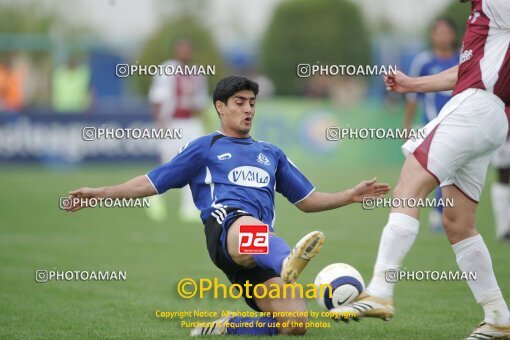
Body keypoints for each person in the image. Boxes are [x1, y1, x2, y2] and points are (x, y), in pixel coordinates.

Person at [65, 76, 390, 336]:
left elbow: (307, 201)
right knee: (248, 224)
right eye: (239, 102)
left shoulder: (271, 154)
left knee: (296, 324)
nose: (248, 109)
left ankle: (230, 326)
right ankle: (287, 260)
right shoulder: (204, 148)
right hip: (227, 232)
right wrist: (99, 193)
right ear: (220, 107)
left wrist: (349, 195)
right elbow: (149, 183)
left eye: (252, 103)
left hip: (262, 253)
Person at [335, 0, 510, 338]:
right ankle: (498, 314)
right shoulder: (485, 18)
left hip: (473, 107)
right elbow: (465, 71)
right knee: (458, 223)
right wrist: (412, 84)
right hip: (490, 115)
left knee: (408, 186)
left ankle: (380, 291)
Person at [404, 17, 460, 233]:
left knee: (450, 171)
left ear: (453, 35)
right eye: (438, 32)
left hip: (458, 124)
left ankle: (440, 213)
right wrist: (406, 125)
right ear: (432, 36)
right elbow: (412, 96)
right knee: (431, 170)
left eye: (446, 32)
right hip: (432, 125)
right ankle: (427, 213)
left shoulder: (462, 59)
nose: (443, 36)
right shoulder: (424, 61)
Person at [147, 39, 208, 223]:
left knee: (195, 164)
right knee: (168, 163)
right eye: (182, 49)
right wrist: (160, 121)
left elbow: (200, 102)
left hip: (191, 122)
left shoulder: (197, 73)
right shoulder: (167, 69)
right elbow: (157, 98)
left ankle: (189, 208)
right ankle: (154, 197)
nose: (185, 53)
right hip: (171, 122)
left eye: (188, 49)